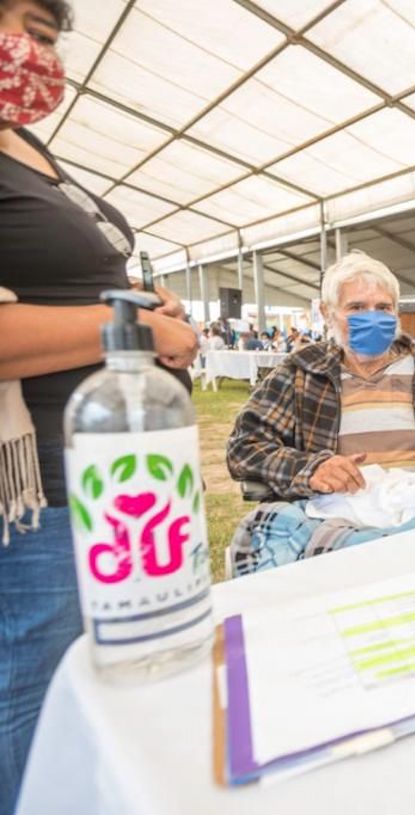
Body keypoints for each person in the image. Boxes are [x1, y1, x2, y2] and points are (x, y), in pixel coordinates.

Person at [0, 1, 199, 809]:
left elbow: (62, 281)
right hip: (40, 493)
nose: (38, 55)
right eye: (26, 29)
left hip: (117, 474)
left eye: (50, 39)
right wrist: (130, 329)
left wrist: (143, 306)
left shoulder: (27, 146)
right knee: (38, 692)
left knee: (120, 677)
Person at [227, 251, 415, 499]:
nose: (372, 318)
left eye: (383, 307)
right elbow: (244, 447)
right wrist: (311, 469)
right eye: (357, 307)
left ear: (396, 312)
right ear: (327, 313)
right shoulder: (302, 370)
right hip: (332, 507)